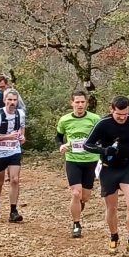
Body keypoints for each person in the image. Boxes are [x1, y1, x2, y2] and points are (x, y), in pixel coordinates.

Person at [87, 95, 129, 255]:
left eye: (125, 114)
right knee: (112, 207)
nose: (122, 118)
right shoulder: (103, 124)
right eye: (118, 115)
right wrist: (104, 150)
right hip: (108, 169)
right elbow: (88, 145)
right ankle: (114, 236)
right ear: (111, 109)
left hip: (128, 166)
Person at [55, 90, 100, 238]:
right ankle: (76, 224)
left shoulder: (95, 119)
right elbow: (59, 137)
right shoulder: (64, 120)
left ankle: (78, 208)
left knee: (85, 197)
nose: (80, 105)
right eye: (77, 102)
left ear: (86, 103)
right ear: (72, 103)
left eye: (82, 102)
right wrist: (61, 146)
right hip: (73, 160)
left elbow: (102, 136)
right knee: (76, 193)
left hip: (91, 161)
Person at [0, 87, 28, 223]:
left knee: (15, 180)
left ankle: (13, 211)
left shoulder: (20, 114)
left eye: (14, 100)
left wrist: (22, 138)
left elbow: (22, 130)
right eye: (9, 100)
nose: (12, 102)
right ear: (4, 101)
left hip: (14, 151)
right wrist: (6, 137)